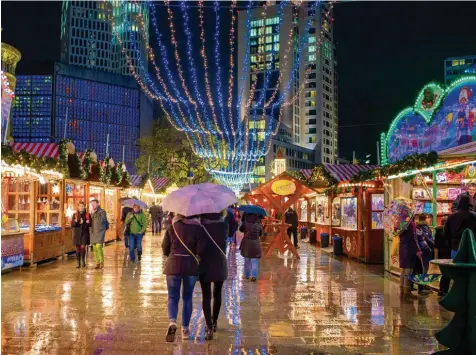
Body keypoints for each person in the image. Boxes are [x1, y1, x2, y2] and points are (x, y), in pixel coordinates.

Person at [161, 213, 201, 342]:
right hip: (190, 267)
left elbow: (164, 247)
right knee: (187, 298)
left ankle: (172, 321)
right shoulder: (198, 229)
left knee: (173, 297)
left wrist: (171, 255)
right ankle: (185, 330)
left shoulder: (172, 227)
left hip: (173, 265)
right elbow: (201, 249)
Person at [197, 212, 228, 340]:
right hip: (219, 262)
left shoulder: (201, 225)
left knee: (206, 295)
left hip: (204, 262)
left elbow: (198, 246)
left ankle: (209, 326)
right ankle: (214, 322)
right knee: (218, 293)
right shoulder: (224, 224)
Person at [444, 194, 476, 259]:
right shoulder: (473, 216)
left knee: (456, 267)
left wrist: (450, 243)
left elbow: (446, 232)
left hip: (456, 246)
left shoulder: (452, 216)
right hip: (471, 246)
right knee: (471, 267)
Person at [398, 219, 421, 297]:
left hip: (402, 248)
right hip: (410, 249)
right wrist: (418, 249)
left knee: (403, 271)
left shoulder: (401, 223)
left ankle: (402, 291)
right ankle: (407, 292)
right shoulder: (411, 223)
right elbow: (414, 238)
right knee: (409, 270)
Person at [413, 214, 435, 295]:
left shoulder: (417, 227)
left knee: (418, 269)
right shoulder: (424, 227)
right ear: (426, 219)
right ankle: (422, 288)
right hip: (424, 250)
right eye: (428, 218)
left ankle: (420, 287)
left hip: (419, 251)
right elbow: (427, 239)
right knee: (424, 269)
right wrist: (433, 244)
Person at [239, 212, 263, 281]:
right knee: (255, 260)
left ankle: (247, 276)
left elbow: (240, 230)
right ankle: (254, 276)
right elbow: (261, 234)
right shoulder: (259, 224)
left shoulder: (245, 222)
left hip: (247, 243)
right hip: (255, 243)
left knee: (247, 260)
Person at [90, 199, 109, 269]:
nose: (93, 205)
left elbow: (103, 220)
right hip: (93, 231)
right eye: (92, 204)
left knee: (98, 246)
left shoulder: (102, 211)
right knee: (94, 247)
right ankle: (97, 262)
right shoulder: (92, 212)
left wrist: (95, 213)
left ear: (98, 204)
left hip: (100, 231)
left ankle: (101, 262)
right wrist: (92, 214)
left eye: (94, 204)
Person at [434, 216, 450, 297]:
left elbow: (436, 246)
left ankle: (441, 290)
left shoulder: (437, 232)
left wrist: (436, 257)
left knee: (443, 273)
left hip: (440, 255)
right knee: (447, 273)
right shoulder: (447, 232)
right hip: (446, 254)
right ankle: (444, 291)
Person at [72, 201, 90, 269]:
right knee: (77, 248)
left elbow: (90, 224)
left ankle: (83, 261)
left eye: (82, 206)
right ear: (78, 207)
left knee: (83, 247)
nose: (81, 207)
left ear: (84, 207)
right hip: (77, 234)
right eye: (80, 206)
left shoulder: (87, 214)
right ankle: (78, 262)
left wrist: (85, 223)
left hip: (84, 233)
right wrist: (76, 221)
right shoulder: (75, 215)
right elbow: (72, 224)